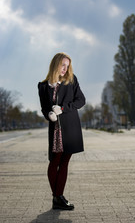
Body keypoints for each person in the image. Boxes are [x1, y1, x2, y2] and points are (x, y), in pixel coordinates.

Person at [38, 52, 85, 210]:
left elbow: (81, 100)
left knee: (64, 162)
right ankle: (57, 197)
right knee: (54, 162)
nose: (65, 68)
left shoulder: (71, 81)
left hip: (70, 128)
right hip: (56, 130)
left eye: (67, 65)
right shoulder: (43, 86)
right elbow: (44, 108)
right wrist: (49, 115)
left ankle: (58, 198)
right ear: (55, 64)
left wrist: (63, 109)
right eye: (62, 65)